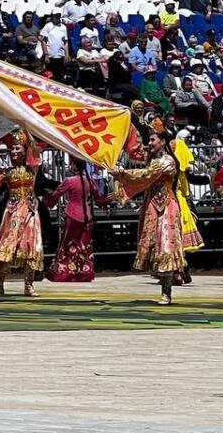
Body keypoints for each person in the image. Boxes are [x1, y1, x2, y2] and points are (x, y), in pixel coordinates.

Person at [108, 130, 201, 305]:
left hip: (167, 207)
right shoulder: (153, 160)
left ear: (163, 142)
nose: (149, 142)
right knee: (154, 245)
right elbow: (146, 173)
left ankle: (167, 292)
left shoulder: (168, 161)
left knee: (166, 244)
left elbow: (147, 175)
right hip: (152, 206)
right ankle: (165, 286)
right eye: (149, 139)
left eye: (152, 139)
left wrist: (121, 173)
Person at [0, 134, 44, 296]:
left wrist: (26, 126)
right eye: (12, 148)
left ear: (25, 152)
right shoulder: (7, 172)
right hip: (13, 212)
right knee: (10, 245)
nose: (13, 151)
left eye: (17, 148)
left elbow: (35, 149)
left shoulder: (32, 169)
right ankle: (1, 277)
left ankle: (28, 285)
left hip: (31, 211)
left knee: (32, 246)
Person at [45, 159, 111, 283]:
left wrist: (47, 202)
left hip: (72, 214)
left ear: (74, 166)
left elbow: (56, 194)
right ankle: (83, 272)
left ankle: (64, 272)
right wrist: (105, 205)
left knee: (67, 244)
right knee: (84, 245)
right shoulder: (89, 181)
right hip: (87, 215)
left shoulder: (69, 181)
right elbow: (98, 198)